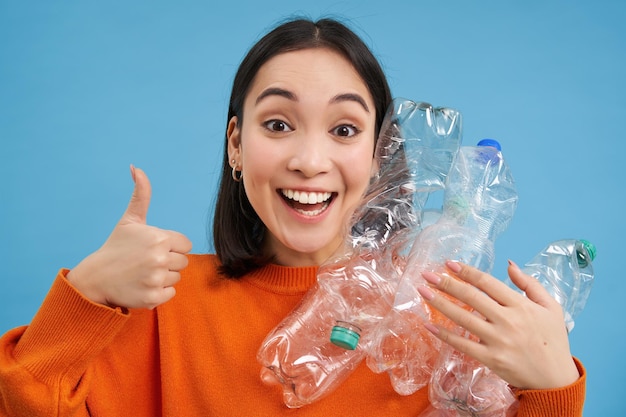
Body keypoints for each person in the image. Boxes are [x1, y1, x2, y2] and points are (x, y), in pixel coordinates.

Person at [0, 17, 585, 417]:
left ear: (380, 153)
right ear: (236, 143)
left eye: (345, 129)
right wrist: (84, 295)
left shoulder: (444, 315)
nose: (309, 161)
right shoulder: (165, 312)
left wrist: (551, 388)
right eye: (278, 124)